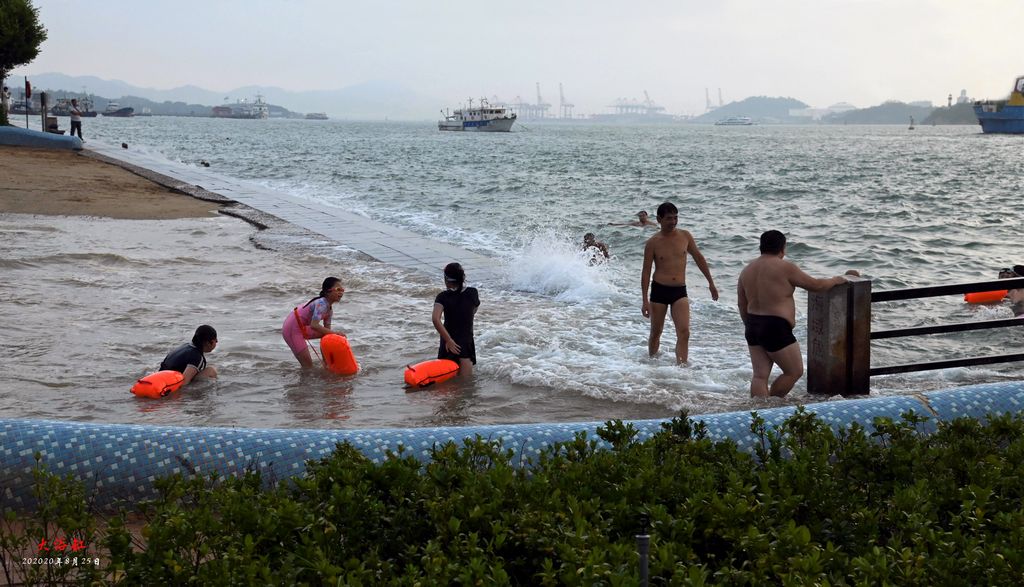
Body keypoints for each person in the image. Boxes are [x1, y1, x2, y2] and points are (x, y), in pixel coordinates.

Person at [737, 230, 857, 398]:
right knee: (794, 371)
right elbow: (815, 285)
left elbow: (742, 304)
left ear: (761, 247)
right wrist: (836, 280)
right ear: (782, 248)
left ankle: (758, 416)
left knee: (759, 376)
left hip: (752, 325)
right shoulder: (785, 267)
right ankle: (772, 404)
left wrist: (750, 326)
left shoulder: (747, 270)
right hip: (775, 326)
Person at [640, 201, 719, 364]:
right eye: (669, 218)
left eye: (676, 218)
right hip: (659, 290)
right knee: (656, 332)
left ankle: (682, 368)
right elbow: (646, 272)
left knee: (684, 332)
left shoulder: (685, 236)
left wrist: (711, 283)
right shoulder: (653, 243)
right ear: (659, 219)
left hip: (679, 291)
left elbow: (699, 258)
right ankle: (652, 365)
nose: (673, 222)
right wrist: (644, 300)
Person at [282, 277, 347, 368]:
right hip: (292, 329)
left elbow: (327, 335)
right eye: (338, 289)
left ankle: (326, 363)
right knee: (308, 367)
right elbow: (314, 325)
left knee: (327, 335)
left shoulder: (329, 310)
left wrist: (327, 363)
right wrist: (336, 333)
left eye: (342, 290)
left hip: (302, 328)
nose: (341, 292)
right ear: (328, 291)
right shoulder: (321, 304)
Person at [433, 262, 480, 376]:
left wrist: (449, 340)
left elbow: (435, 319)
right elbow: (473, 310)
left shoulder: (443, 297)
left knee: (445, 382)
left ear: (446, 279)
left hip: (448, 343)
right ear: (462, 278)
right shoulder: (473, 293)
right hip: (465, 343)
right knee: (466, 385)